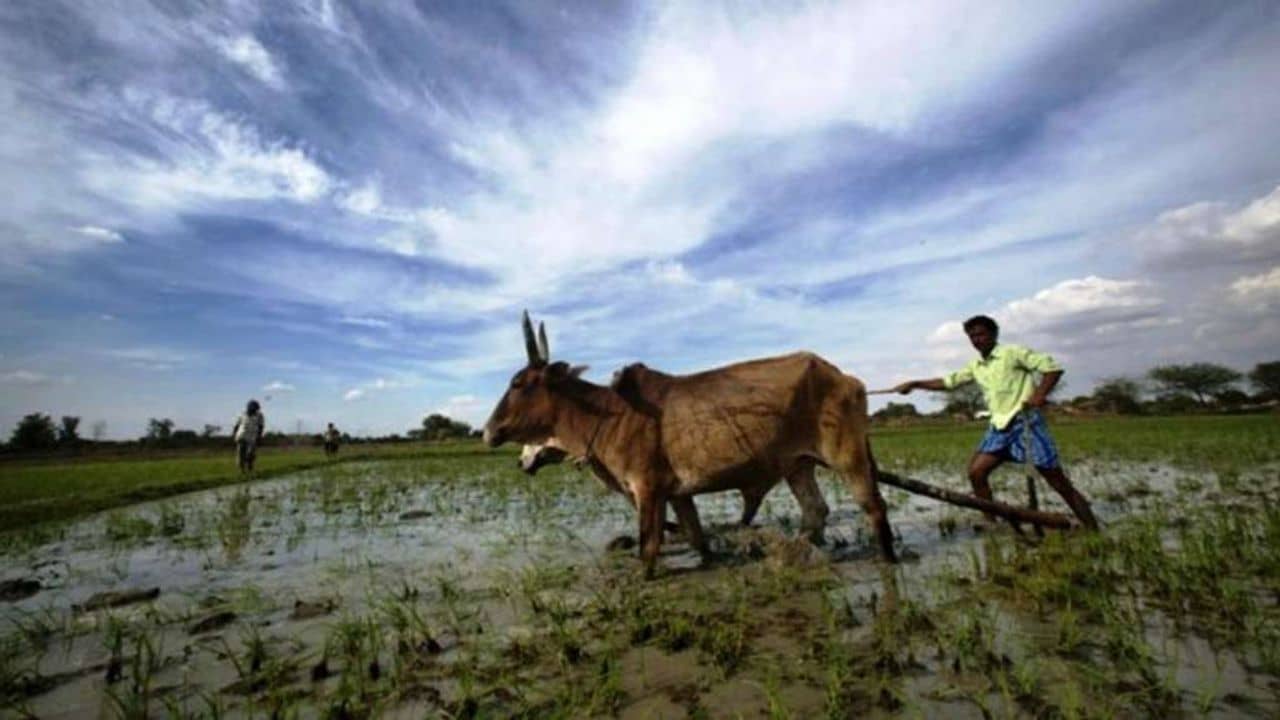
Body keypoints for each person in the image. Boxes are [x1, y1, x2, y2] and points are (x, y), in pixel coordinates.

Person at [892, 315, 1099, 530]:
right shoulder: (977, 366)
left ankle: (1093, 529)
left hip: (1024, 423)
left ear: (993, 334)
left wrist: (1039, 395)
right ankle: (992, 521)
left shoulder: (1012, 353)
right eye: (972, 336)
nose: (977, 340)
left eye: (981, 334)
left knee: (1057, 482)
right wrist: (915, 384)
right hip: (999, 428)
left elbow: (1052, 368)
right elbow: (948, 382)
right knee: (976, 473)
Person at [232, 399, 266, 476]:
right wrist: (234, 434)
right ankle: (242, 471)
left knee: (251, 454)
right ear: (249, 407)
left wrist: (259, 437)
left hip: (252, 437)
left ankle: (250, 468)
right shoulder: (242, 414)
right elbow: (236, 425)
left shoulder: (259, 416)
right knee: (241, 454)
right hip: (241, 436)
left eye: (256, 409)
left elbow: (261, 427)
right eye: (254, 408)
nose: (255, 410)